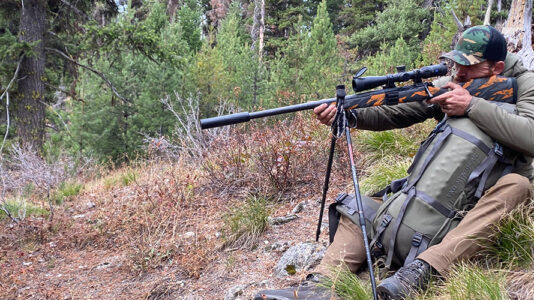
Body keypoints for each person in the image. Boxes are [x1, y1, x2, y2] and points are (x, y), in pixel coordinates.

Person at [255, 25, 534, 300]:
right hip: (429, 198)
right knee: (362, 207)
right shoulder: (458, 83)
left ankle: (421, 272)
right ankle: (319, 286)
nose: (458, 74)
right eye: (456, 64)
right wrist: (351, 116)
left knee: (518, 186)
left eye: (468, 67)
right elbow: (399, 110)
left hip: (474, 205)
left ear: (496, 68)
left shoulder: (525, 84)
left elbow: (530, 136)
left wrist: (471, 105)